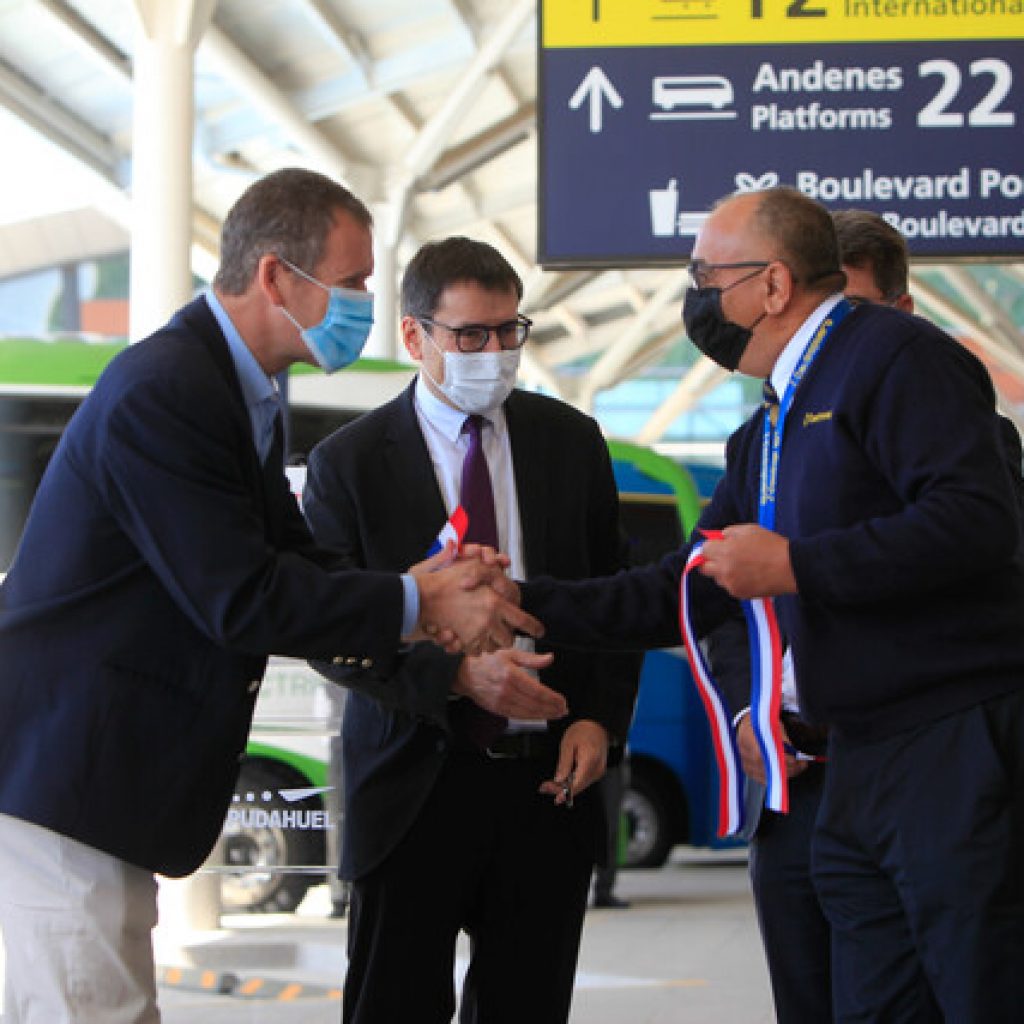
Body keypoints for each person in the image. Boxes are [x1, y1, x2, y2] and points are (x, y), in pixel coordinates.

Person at [0, 168, 543, 1024]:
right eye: (355, 280)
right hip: (73, 771)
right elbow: (241, 596)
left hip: (104, 782)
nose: (364, 300)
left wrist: (427, 588)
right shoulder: (170, 391)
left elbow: (296, 555)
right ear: (276, 277)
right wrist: (420, 604)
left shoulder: (234, 390)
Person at [518, 185, 1024, 1022]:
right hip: (853, 763)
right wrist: (524, 605)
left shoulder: (898, 358)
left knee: (980, 989)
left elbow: (977, 522)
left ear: (776, 286)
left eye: (707, 275)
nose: (697, 297)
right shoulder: (778, 417)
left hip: (947, 746)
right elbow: (691, 581)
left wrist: (797, 563)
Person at [302, 236, 642, 1024]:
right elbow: (331, 632)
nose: (494, 352)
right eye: (471, 336)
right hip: (415, 782)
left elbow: (616, 594)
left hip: (545, 787)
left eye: (508, 330)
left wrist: (598, 716)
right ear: (417, 336)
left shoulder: (570, 442)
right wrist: (455, 678)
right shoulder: (348, 465)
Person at [707, 207, 921, 1023]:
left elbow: (963, 558)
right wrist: (745, 710)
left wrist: (798, 564)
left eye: (849, 326)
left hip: (904, 779)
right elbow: (707, 596)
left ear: (896, 321)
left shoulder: (940, 425)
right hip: (791, 789)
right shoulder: (756, 444)